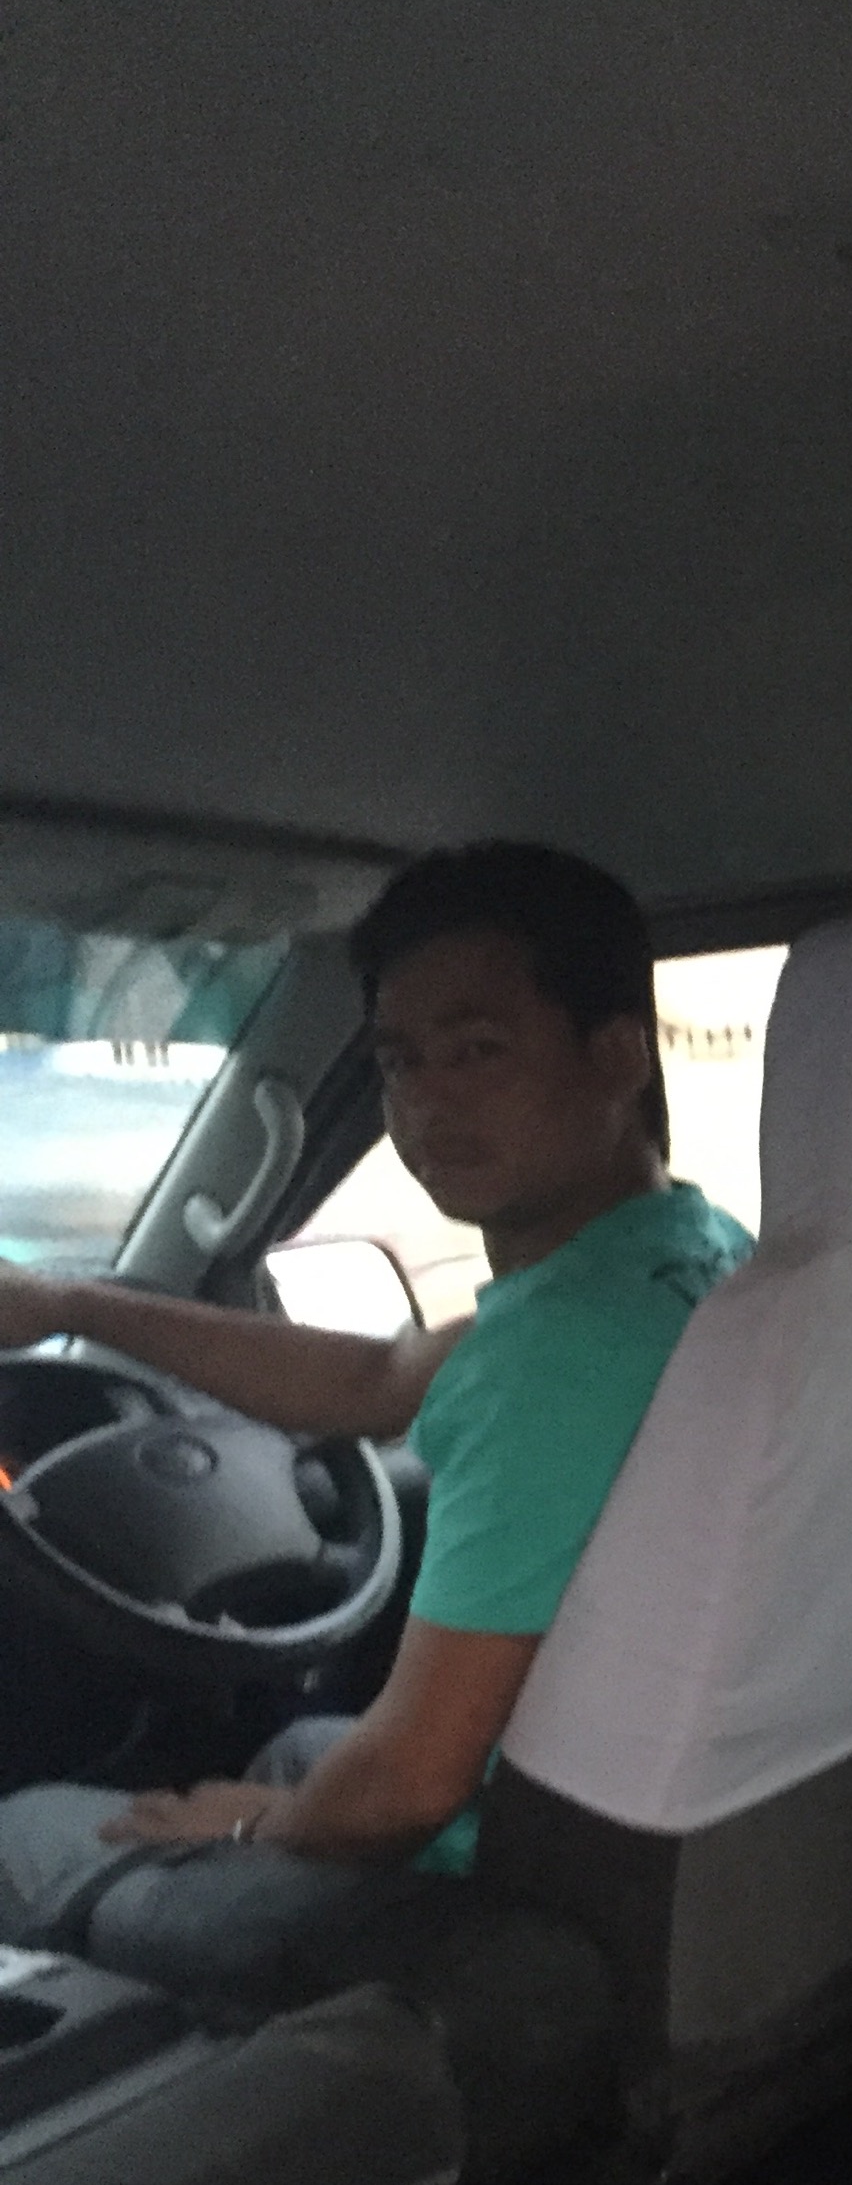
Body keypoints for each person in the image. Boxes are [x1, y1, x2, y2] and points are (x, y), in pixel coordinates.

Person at [0, 843, 748, 1997]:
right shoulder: (696, 1257)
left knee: (31, 1827)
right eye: (400, 1061)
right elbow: (378, 1380)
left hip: (499, 1897)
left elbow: (407, 1787)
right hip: (637, 1829)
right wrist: (68, 1306)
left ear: (618, 1055)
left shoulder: (552, 1360)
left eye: (478, 1051)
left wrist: (247, 1828)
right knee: (302, 1750)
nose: (426, 1105)